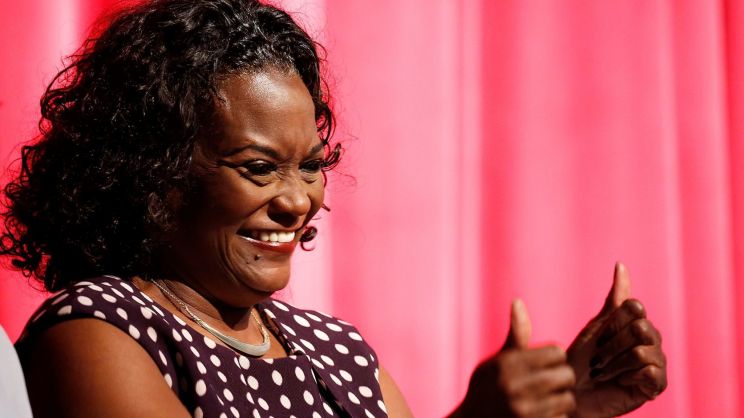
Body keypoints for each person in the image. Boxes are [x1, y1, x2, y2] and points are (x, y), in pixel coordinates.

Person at [1, 0, 666, 417]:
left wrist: (566, 408)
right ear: (151, 172)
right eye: (259, 168)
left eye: (310, 166)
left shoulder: (337, 351)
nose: (298, 200)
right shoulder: (95, 333)